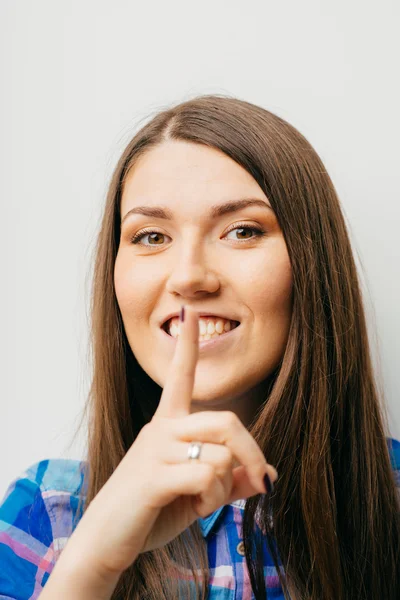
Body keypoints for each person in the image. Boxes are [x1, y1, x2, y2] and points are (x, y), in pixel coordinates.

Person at [0, 95, 399, 600]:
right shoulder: (46, 512)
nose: (189, 276)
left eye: (242, 230)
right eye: (150, 236)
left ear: (313, 264)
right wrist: (94, 560)